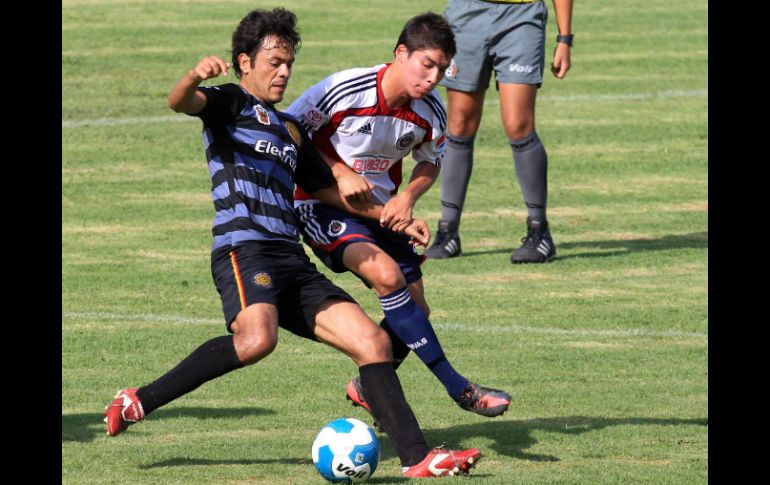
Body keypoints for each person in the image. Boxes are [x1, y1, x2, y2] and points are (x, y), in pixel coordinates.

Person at [101, 8, 482, 478]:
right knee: (258, 339)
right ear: (245, 62)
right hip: (245, 248)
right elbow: (180, 102)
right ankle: (139, 399)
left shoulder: (290, 130)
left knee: (373, 344)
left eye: (288, 65)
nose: (283, 73)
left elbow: (327, 192)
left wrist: (394, 220)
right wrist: (193, 75)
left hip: (291, 257)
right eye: (274, 62)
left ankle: (418, 458)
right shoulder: (229, 104)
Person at [287, 12, 511, 420]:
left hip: (380, 211)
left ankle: (368, 385)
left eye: (442, 69)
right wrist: (337, 170)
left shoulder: (431, 112)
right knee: (388, 278)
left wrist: (408, 197)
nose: (433, 78)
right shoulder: (345, 89)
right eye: (427, 64)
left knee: (416, 311)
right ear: (401, 53)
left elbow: (430, 161)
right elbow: (289, 129)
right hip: (317, 203)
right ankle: (460, 388)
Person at [424, 0, 574, 263]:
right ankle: (447, 232)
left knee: (519, 125)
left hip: (521, 17)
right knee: (459, 124)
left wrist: (564, 39)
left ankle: (540, 233)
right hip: (467, 15)